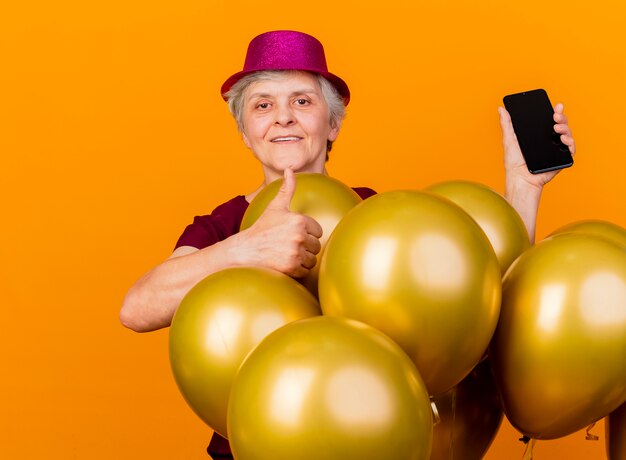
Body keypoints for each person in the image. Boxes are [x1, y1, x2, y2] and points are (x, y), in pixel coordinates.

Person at [119, 30, 576, 459]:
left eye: (302, 101)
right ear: (244, 132)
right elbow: (137, 308)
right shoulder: (220, 226)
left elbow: (484, 303)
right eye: (262, 106)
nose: (282, 117)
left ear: (333, 124)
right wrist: (248, 248)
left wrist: (523, 188)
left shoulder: (375, 214)